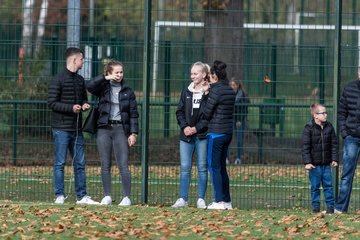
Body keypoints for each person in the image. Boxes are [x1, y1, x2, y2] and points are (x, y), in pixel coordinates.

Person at [48, 47, 99, 205]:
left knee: (80, 163)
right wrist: (71, 108)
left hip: (76, 129)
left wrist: (84, 105)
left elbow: (84, 99)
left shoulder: (79, 80)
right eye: (82, 59)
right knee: (60, 163)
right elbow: (52, 103)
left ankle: (82, 196)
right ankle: (59, 196)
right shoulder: (58, 79)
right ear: (74, 60)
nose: (83, 61)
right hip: (61, 129)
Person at [86, 59, 139, 206]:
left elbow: (133, 114)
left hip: (121, 129)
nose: (120, 75)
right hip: (104, 128)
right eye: (117, 72)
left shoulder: (128, 91)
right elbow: (89, 85)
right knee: (105, 164)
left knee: (123, 164)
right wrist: (105, 78)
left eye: (121, 72)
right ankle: (107, 196)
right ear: (109, 73)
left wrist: (133, 133)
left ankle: (126, 197)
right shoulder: (103, 87)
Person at [171, 61, 210, 209]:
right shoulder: (186, 91)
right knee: (185, 167)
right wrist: (185, 127)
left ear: (204, 74)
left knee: (201, 167)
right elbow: (179, 111)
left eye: (195, 73)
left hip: (202, 136)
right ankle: (183, 199)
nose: (192, 76)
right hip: (186, 135)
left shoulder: (208, 92)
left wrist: (196, 128)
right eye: (191, 73)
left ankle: (201, 199)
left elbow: (208, 115)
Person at [203, 60, 235, 210]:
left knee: (213, 166)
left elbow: (207, 112)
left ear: (214, 75)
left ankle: (218, 201)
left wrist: (205, 95)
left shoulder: (215, 91)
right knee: (222, 167)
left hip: (215, 133)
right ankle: (227, 201)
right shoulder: (229, 89)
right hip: (227, 133)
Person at [301, 103, 338, 214]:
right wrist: (307, 162)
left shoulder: (329, 127)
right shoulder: (309, 128)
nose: (326, 115)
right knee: (315, 187)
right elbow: (305, 147)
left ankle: (330, 208)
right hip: (314, 166)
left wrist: (334, 159)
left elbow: (334, 144)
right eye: (323, 113)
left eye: (326, 112)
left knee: (328, 186)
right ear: (315, 115)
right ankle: (316, 208)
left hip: (326, 165)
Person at [335, 69, 360, 214]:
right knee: (347, 174)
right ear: (358, 72)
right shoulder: (349, 88)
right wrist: (344, 133)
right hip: (352, 137)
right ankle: (340, 208)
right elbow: (342, 112)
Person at [227, 79, 249, 165]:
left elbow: (244, 109)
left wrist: (239, 119)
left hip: (239, 121)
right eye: (231, 85)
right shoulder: (227, 95)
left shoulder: (242, 95)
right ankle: (226, 158)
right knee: (227, 139)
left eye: (234, 85)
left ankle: (239, 158)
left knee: (239, 139)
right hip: (230, 119)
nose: (232, 86)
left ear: (238, 85)